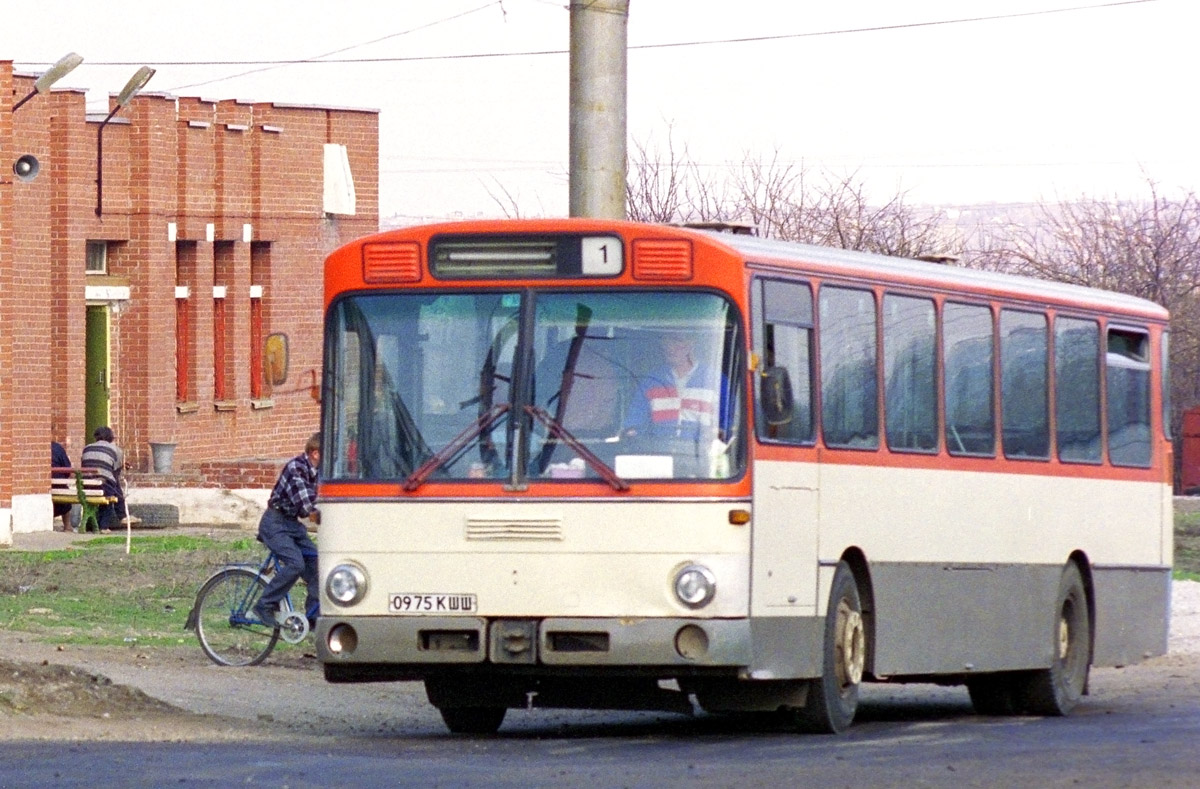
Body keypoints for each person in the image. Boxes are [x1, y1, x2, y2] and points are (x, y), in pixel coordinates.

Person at [253, 432, 321, 629]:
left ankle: (313, 617)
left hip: (291, 524)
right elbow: (307, 505)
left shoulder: (319, 472)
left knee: (318, 564)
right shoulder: (296, 468)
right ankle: (264, 605)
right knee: (296, 564)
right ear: (315, 453)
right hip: (275, 523)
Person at [80, 426, 126, 531]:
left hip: (86, 486)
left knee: (109, 483)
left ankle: (122, 516)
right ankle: (106, 525)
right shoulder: (116, 450)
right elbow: (116, 471)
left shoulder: (87, 448)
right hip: (103, 486)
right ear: (111, 438)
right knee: (113, 485)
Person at [51, 441, 73, 532]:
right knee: (65, 495)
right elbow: (67, 469)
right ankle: (67, 526)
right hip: (59, 487)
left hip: (40, 488)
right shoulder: (57, 448)